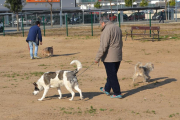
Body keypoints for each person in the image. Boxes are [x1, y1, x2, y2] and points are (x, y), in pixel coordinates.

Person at [95, 17, 123, 99]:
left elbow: (104, 45)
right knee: (112, 74)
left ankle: (117, 92)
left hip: (109, 57)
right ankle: (106, 89)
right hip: (118, 55)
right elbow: (121, 43)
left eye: (101, 24)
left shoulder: (106, 30)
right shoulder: (117, 28)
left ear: (103, 23)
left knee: (112, 75)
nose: (101, 26)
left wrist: (97, 57)